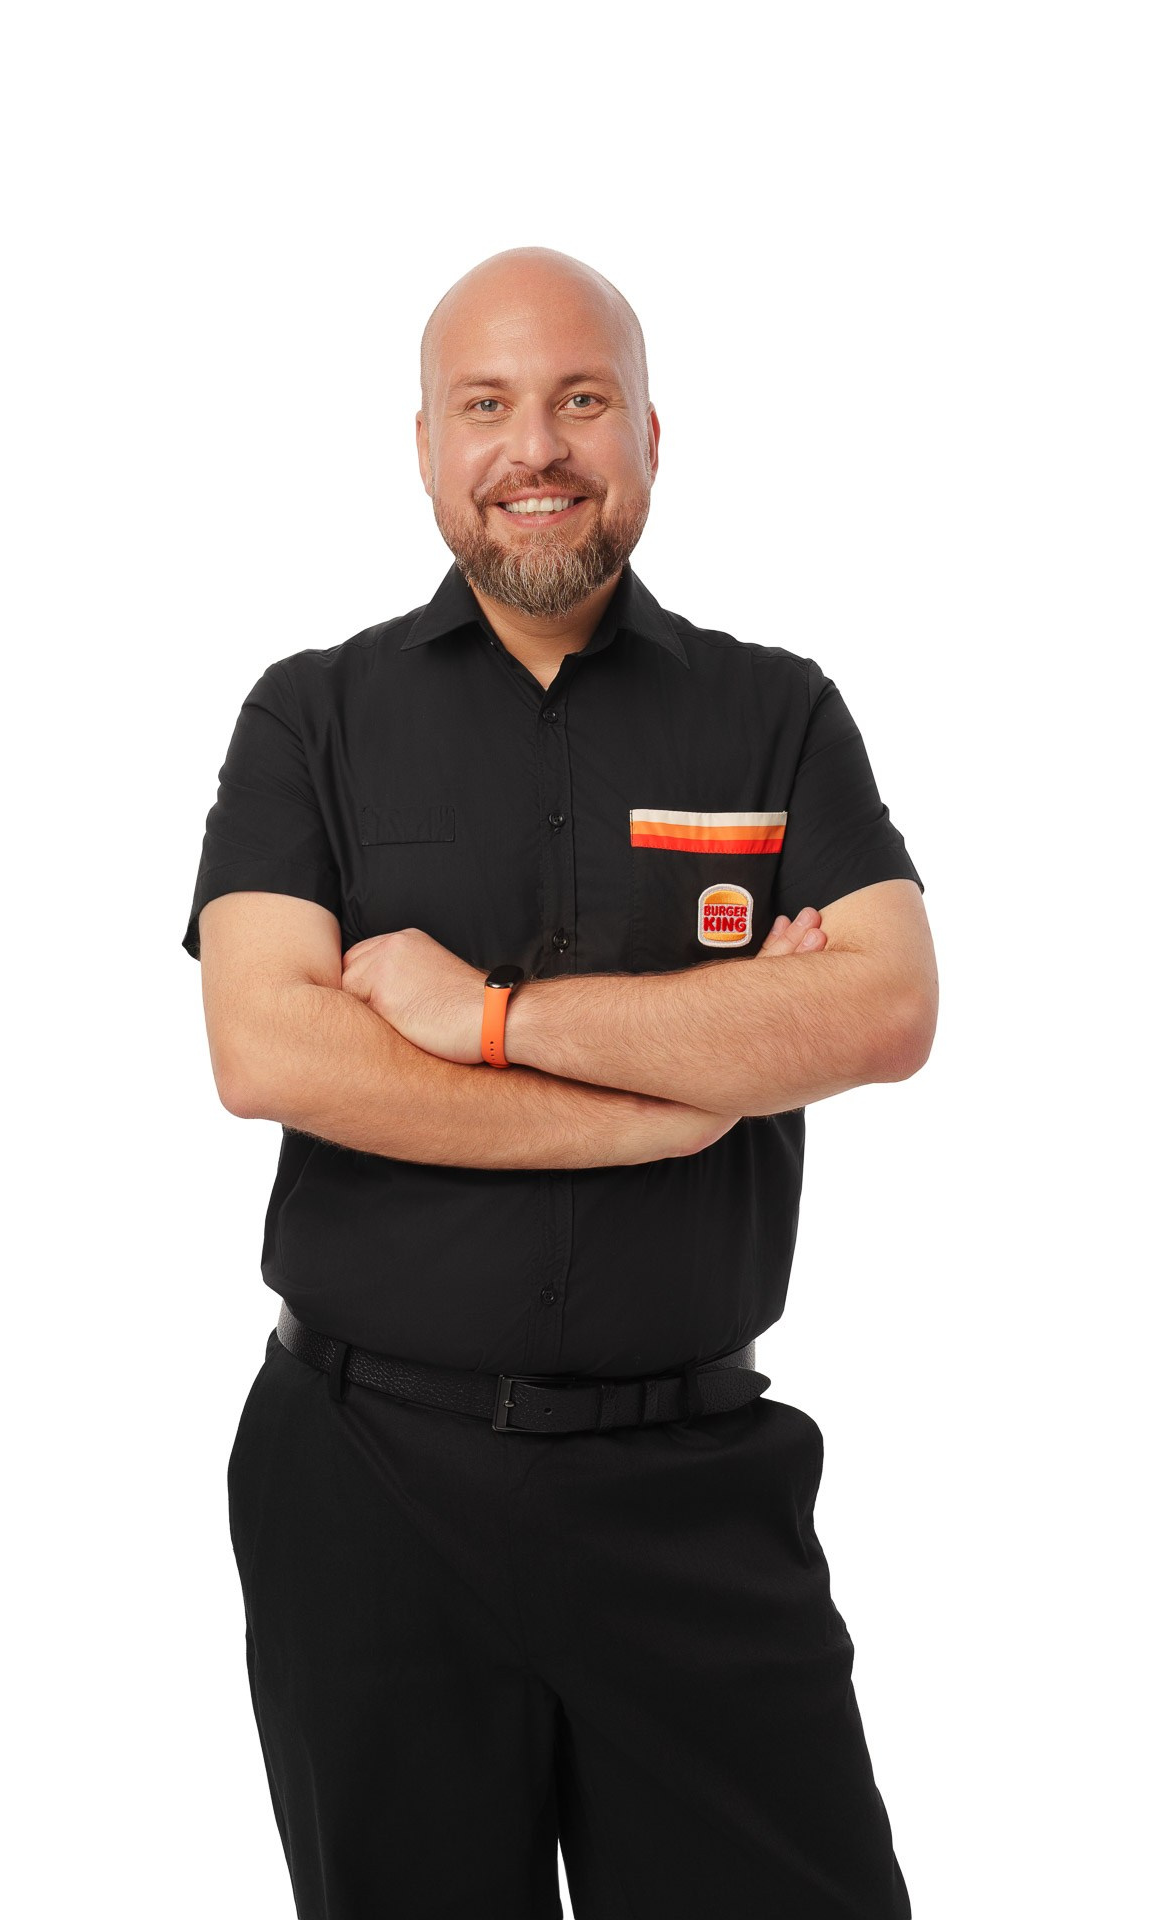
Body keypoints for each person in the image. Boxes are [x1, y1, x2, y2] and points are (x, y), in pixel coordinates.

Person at [181, 245, 938, 1920]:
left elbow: (884, 1008)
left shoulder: (777, 716)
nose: (538, 445)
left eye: (581, 400)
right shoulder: (307, 718)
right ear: (431, 447)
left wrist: (492, 1023)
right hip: (368, 1488)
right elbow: (269, 1049)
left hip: (697, 1492)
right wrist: (686, 1077)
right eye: (489, 406)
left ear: (653, 436)